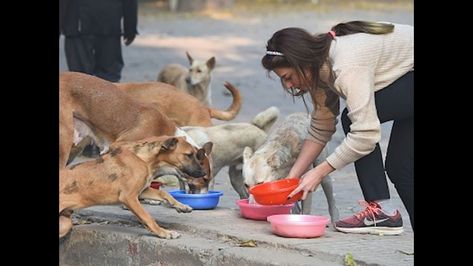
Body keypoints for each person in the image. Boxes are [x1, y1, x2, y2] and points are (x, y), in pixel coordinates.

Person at [261, 21, 413, 235]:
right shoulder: (317, 68)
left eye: (288, 77)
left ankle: (380, 211)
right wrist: (292, 180)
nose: (288, 86)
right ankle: (384, 213)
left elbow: (365, 136)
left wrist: (318, 172)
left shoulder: (346, 64)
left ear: (302, 62)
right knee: (401, 168)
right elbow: (322, 127)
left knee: (354, 121)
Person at [59, 0, 138, 82]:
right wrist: (130, 27)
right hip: (108, 23)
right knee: (108, 77)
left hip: (77, 24)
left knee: (80, 78)